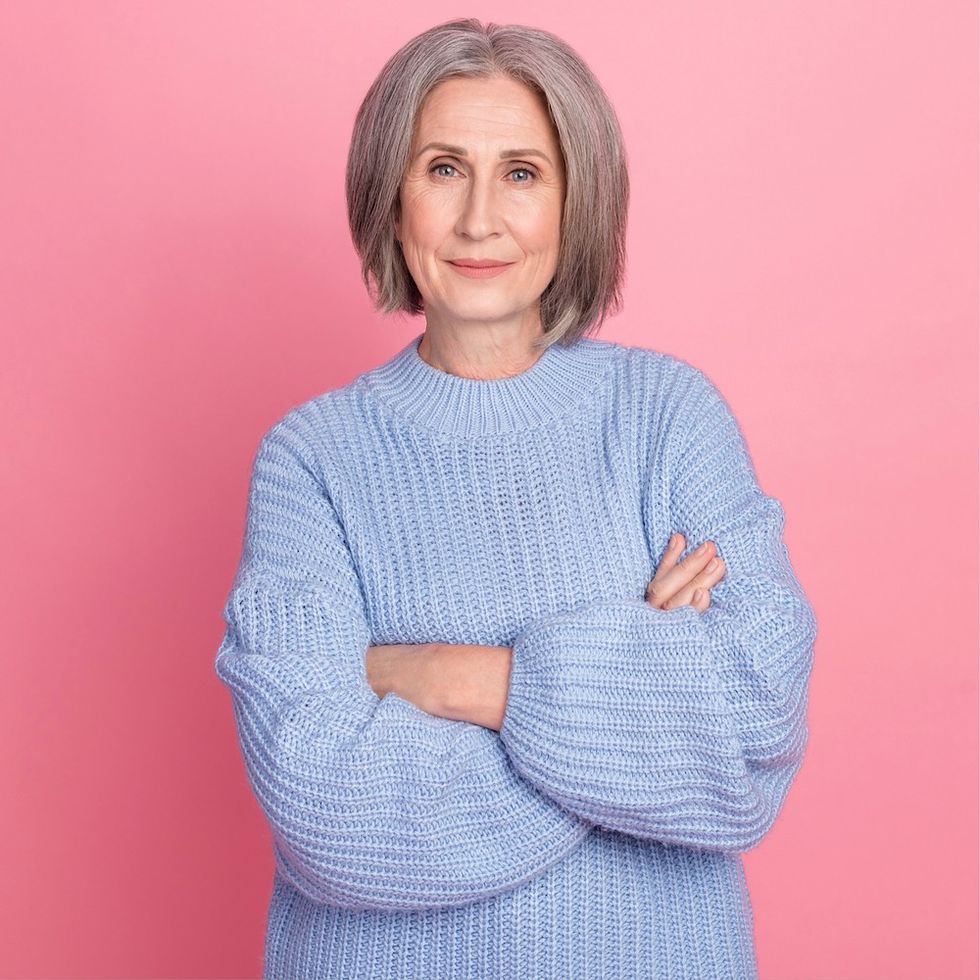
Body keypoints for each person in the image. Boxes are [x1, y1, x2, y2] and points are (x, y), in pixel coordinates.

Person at [214, 17, 817, 980]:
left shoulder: (666, 416)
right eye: (445, 168)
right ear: (392, 199)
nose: (480, 219)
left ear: (576, 201)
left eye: (523, 173)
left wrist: (451, 677)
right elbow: (326, 810)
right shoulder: (311, 460)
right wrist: (630, 699)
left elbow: (746, 740)